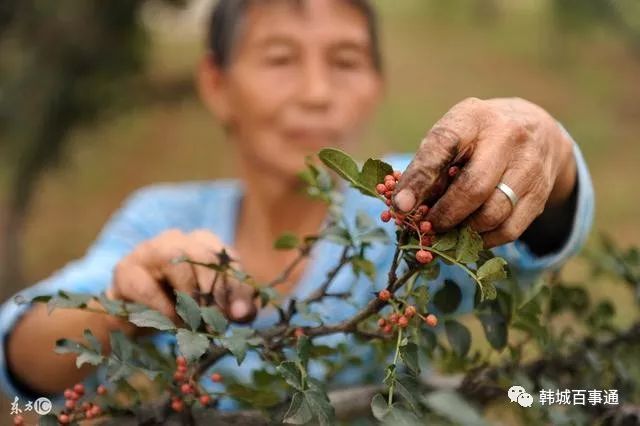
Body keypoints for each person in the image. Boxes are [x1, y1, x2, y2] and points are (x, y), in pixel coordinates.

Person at [0, 0, 593, 408]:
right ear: (216, 84)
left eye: (345, 61)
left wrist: (551, 151)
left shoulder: (416, 205)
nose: (316, 93)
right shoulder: (158, 217)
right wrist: (123, 306)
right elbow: (23, 353)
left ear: (375, 86)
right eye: (281, 59)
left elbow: (527, 241)